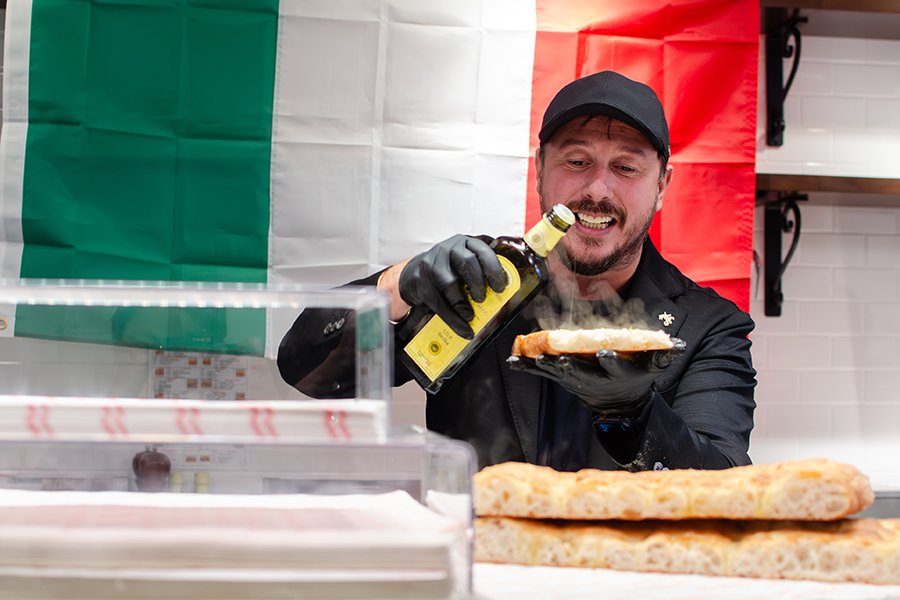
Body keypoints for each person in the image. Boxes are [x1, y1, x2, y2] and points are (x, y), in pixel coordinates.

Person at [278, 70, 756, 472]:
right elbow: (308, 373)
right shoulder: (476, 283)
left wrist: (631, 410)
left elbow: (723, 488)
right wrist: (396, 287)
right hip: (482, 570)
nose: (598, 189)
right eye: (576, 161)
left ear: (661, 186)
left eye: (626, 168)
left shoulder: (710, 327)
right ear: (540, 171)